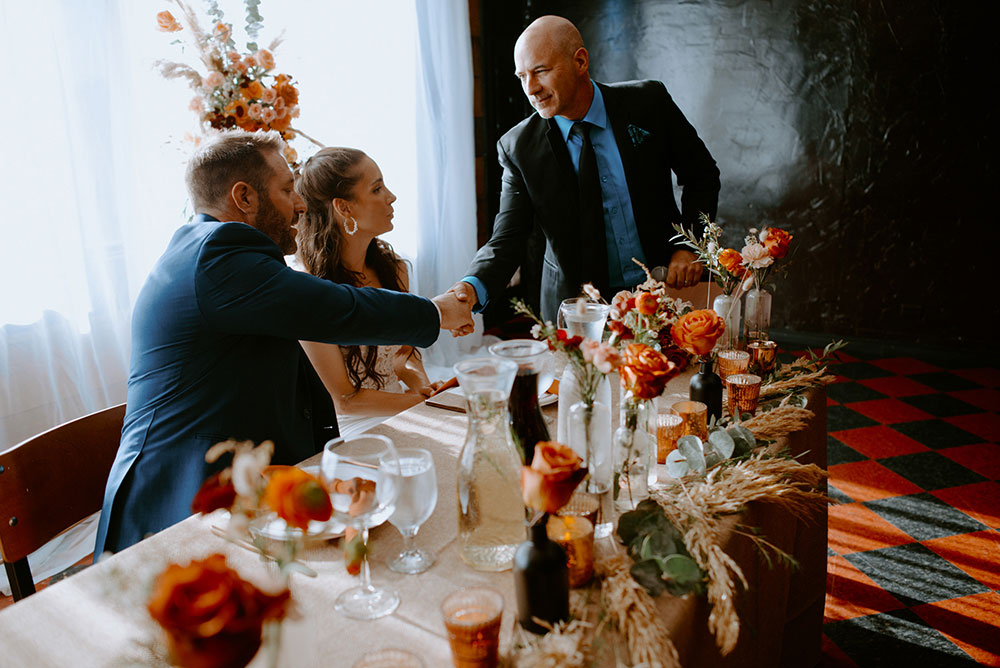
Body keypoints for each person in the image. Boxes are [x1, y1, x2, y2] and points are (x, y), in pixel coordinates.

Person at [95, 130, 472, 555]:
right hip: (179, 500)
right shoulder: (220, 255)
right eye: (287, 189)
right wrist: (436, 312)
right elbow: (334, 309)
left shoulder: (214, 252)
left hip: (245, 479)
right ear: (245, 197)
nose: (300, 204)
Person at [450, 15, 720, 324]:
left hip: (664, 291)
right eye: (521, 76)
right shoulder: (518, 148)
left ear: (580, 61)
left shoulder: (650, 103)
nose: (531, 88)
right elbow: (507, 240)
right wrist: (470, 288)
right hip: (576, 309)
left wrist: (689, 247)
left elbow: (702, 175)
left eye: (540, 71)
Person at [294, 147, 441, 435]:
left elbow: (403, 353)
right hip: (353, 424)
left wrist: (420, 384)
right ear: (344, 208)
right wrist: (412, 403)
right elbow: (345, 401)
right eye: (377, 189)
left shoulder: (394, 268)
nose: (391, 196)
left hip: (402, 405)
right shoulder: (308, 292)